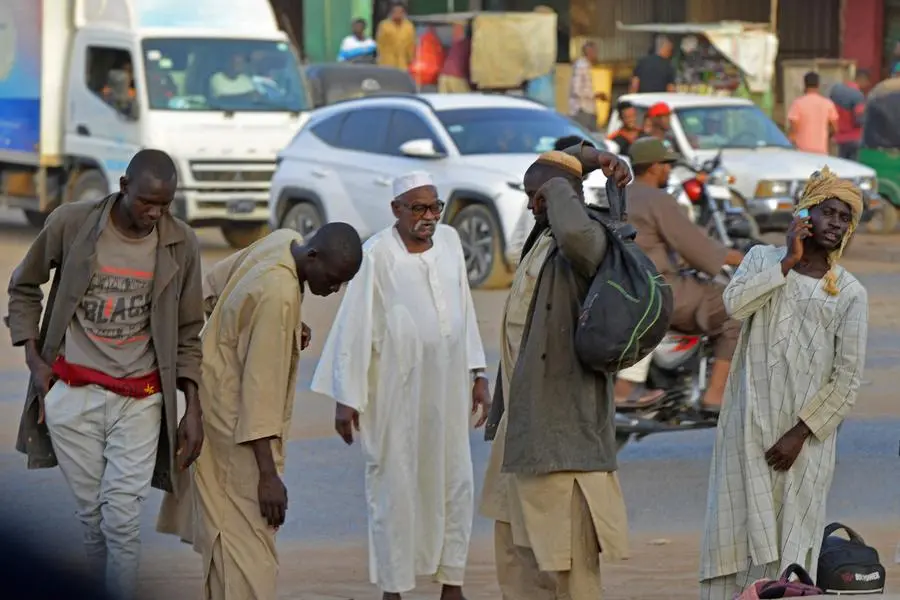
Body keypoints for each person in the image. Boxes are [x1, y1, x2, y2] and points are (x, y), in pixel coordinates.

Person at [5, 149, 205, 600]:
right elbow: (23, 286)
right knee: (93, 519)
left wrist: (193, 407)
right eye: (146, 203)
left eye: (164, 205)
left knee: (122, 518)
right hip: (72, 395)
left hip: (141, 397)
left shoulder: (181, 243)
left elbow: (190, 330)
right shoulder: (72, 224)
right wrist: (36, 360)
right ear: (123, 185)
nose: (154, 214)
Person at [157, 225, 364, 600]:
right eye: (333, 281)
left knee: (226, 540)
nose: (333, 290)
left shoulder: (284, 240)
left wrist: (278, 327)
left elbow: (213, 290)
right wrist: (268, 477)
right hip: (236, 429)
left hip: (213, 405)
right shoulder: (279, 295)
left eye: (341, 285)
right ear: (313, 258)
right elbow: (259, 393)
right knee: (249, 552)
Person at [311, 171, 489, 600]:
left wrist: (477, 373)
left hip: (446, 389)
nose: (428, 217)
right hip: (395, 392)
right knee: (395, 487)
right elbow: (354, 326)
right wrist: (346, 398)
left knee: (455, 482)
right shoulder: (376, 255)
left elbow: (463, 308)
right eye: (419, 208)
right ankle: (394, 589)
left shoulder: (448, 242)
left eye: (435, 207)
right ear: (396, 210)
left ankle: (452, 583)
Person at [699, 167, 867, 599]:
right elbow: (734, 307)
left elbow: (846, 379)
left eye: (844, 217)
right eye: (827, 211)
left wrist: (798, 434)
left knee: (793, 538)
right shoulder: (760, 260)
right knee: (734, 534)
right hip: (747, 426)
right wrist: (787, 263)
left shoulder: (849, 292)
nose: (835, 223)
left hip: (803, 442)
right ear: (804, 214)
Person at [480, 145, 632, 600]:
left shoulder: (586, 242)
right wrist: (591, 154)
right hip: (522, 426)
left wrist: (561, 188)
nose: (530, 205)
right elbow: (557, 161)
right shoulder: (544, 237)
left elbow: (576, 231)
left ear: (560, 196)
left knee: (570, 570)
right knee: (517, 557)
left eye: (537, 196)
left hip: (563, 435)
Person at [621, 138, 743, 412]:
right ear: (654, 167)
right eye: (667, 165)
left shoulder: (618, 196)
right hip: (661, 289)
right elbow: (696, 248)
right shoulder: (658, 200)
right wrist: (746, 258)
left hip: (627, 287)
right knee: (736, 306)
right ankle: (714, 395)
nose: (670, 171)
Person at [787, 71, 839, 154]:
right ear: (818, 85)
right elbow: (834, 128)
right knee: (821, 167)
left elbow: (794, 128)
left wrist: (789, 141)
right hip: (822, 151)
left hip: (802, 151)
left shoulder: (797, 103)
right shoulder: (828, 103)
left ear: (805, 84)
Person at [568, 41, 607, 132]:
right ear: (589, 51)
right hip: (581, 108)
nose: (596, 54)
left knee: (594, 136)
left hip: (589, 108)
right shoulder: (581, 66)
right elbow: (577, 90)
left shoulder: (587, 65)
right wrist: (595, 95)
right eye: (595, 51)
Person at [832, 69, 870, 160]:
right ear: (862, 80)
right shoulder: (858, 95)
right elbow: (859, 120)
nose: (867, 85)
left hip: (837, 138)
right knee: (852, 169)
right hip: (853, 138)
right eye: (867, 82)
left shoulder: (836, 90)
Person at [376, 1, 416, 71]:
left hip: (403, 63)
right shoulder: (384, 25)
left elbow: (411, 44)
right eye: (395, 11)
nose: (397, 14)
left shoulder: (409, 26)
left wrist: (411, 59)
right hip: (387, 62)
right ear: (391, 13)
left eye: (400, 12)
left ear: (404, 13)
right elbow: (380, 43)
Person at [438, 23, 472, 93]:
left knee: (444, 102)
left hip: (443, 76)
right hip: (457, 76)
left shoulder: (457, 43)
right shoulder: (470, 45)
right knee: (466, 101)